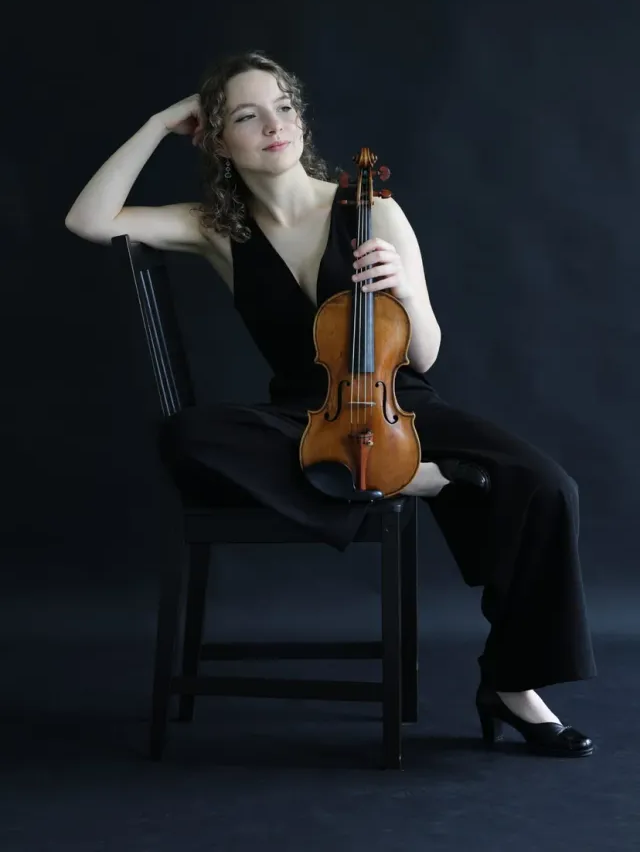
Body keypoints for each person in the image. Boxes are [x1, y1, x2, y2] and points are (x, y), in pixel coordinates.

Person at [65, 50, 596, 757]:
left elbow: (427, 353)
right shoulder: (217, 227)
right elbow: (88, 220)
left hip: (402, 402)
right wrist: (161, 122)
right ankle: (396, 478)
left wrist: (403, 290)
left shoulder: (372, 209)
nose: (273, 125)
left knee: (548, 487)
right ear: (217, 139)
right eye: (246, 116)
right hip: (301, 419)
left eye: (283, 107)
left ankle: (512, 683)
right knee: (189, 436)